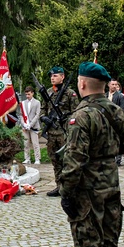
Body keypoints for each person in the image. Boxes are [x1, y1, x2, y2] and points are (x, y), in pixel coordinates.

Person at [59, 62, 124, 247]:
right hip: (111, 183)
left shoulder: (82, 116)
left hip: (88, 188)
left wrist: (67, 193)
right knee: (109, 241)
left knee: (89, 242)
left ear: (82, 84)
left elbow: (74, 159)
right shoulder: (115, 111)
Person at [40, 66, 79, 197]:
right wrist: (44, 117)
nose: (52, 78)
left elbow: (76, 113)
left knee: (67, 161)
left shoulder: (70, 93)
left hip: (64, 132)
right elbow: (43, 108)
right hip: (51, 133)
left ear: (62, 77)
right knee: (55, 161)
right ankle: (59, 186)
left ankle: (68, 187)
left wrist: (66, 119)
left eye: (55, 76)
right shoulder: (48, 92)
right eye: (51, 76)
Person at [109, 79, 124, 167]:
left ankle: (118, 159)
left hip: (116, 121)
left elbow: (122, 110)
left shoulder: (120, 96)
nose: (114, 86)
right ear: (109, 85)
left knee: (117, 140)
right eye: (112, 84)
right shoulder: (104, 95)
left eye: (116, 84)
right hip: (106, 122)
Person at [21, 86, 41, 164]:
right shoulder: (23, 103)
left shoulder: (37, 102)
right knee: (26, 143)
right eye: (26, 94)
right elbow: (21, 115)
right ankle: (27, 158)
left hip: (34, 126)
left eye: (29, 94)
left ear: (32, 93)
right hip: (25, 126)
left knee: (35, 143)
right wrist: (24, 124)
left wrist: (30, 124)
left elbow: (37, 115)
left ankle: (37, 159)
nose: (27, 96)